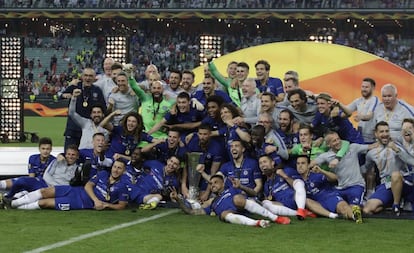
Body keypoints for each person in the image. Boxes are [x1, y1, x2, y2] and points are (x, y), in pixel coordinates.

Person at [171, 174, 291, 228]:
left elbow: (255, 194)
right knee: (223, 215)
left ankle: (275, 218)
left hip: (240, 205)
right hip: (230, 214)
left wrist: (241, 187)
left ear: (223, 183)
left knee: (237, 198)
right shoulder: (212, 202)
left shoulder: (232, 189)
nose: (212, 185)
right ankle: (257, 223)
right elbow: (191, 212)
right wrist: (178, 200)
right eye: (211, 184)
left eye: (215, 182)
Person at [8, 160, 129, 211]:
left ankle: (16, 207)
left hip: (79, 203)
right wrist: (96, 200)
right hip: (75, 190)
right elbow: (88, 186)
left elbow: (122, 206)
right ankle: (11, 203)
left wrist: (106, 205)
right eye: (115, 167)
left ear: (123, 171)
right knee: (45, 191)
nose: (116, 170)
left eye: (119, 168)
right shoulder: (103, 174)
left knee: (44, 203)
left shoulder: (123, 187)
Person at [310, 131, 377, 211]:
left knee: (354, 208)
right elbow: (312, 164)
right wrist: (314, 167)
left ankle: (357, 211)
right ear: (328, 145)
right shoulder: (326, 156)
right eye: (334, 141)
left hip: (356, 186)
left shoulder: (352, 147)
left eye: (338, 139)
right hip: (340, 188)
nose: (338, 142)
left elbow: (371, 146)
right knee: (338, 207)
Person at [363, 121, 414, 216]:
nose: (385, 134)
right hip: (386, 184)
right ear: (376, 134)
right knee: (367, 209)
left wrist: (397, 150)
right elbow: (366, 169)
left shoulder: (398, 145)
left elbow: (411, 161)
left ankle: (396, 206)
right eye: (381, 132)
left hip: (404, 182)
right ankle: (389, 203)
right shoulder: (371, 152)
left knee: (395, 175)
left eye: (387, 131)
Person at [1, 145, 79, 204]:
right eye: (68, 154)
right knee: (21, 181)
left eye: (73, 155)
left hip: (57, 190)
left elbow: (70, 184)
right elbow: (47, 175)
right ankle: (8, 197)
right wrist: (51, 185)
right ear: (65, 154)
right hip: (44, 183)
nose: (70, 157)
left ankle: (13, 202)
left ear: (77, 157)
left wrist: (54, 188)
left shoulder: (78, 169)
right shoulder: (56, 161)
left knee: (31, 196)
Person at [297, 155, 363, 223]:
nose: (300, 166)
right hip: (317, 203)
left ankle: (354, 216)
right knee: (306, 201)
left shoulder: (316, 174)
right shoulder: (296, 179)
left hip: (329, 197)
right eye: (298, 163)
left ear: (308, 165)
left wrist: (322, 171)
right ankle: (333, 215)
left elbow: (335, 178)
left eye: (303, 163)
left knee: (343, 208)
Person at [61, 68, 106, 151]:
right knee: (69, 153)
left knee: (85, 153)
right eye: (86, 75)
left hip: (88, 128)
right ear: (82, 76)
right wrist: (70, 96)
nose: (88, 78)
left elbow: (103, 109)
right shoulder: (75, 86)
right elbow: (61, 96)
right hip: (73, 127)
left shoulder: (97, 90)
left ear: (94, 78)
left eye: (90, 76)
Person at [259, 155, 313, 220]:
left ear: (272, 163)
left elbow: (300, 186)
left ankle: (301, 208)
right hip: (284, 206)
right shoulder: (266, 185)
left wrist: (284, 176)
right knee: (265, 203)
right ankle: (298, 213)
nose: (262, 164)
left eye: (265, 162)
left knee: (298, 182)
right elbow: (271, 199)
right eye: (260, 163)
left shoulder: (286, 171)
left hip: (297, 199)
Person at [186, 124, 224, 201]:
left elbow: (213, 172)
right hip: (194, 173)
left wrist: (207, 192)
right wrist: (183, 185)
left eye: (205, 134)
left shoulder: (216, 147)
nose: (202, 137)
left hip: (207, 174)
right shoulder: (193, 142)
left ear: (210, 134)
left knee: (203, 198)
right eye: (200, 134)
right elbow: (187, 165)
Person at [345, 77, 379, 144]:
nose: (364, 89)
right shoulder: (358, 100)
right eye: (362, 87)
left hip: (371, 140)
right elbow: (346, 109)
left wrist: (361, 117)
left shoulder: (374, 100)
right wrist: (336, 105)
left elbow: (369, 116)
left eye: (366, 87)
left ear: (373, 88)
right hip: (360, 138)